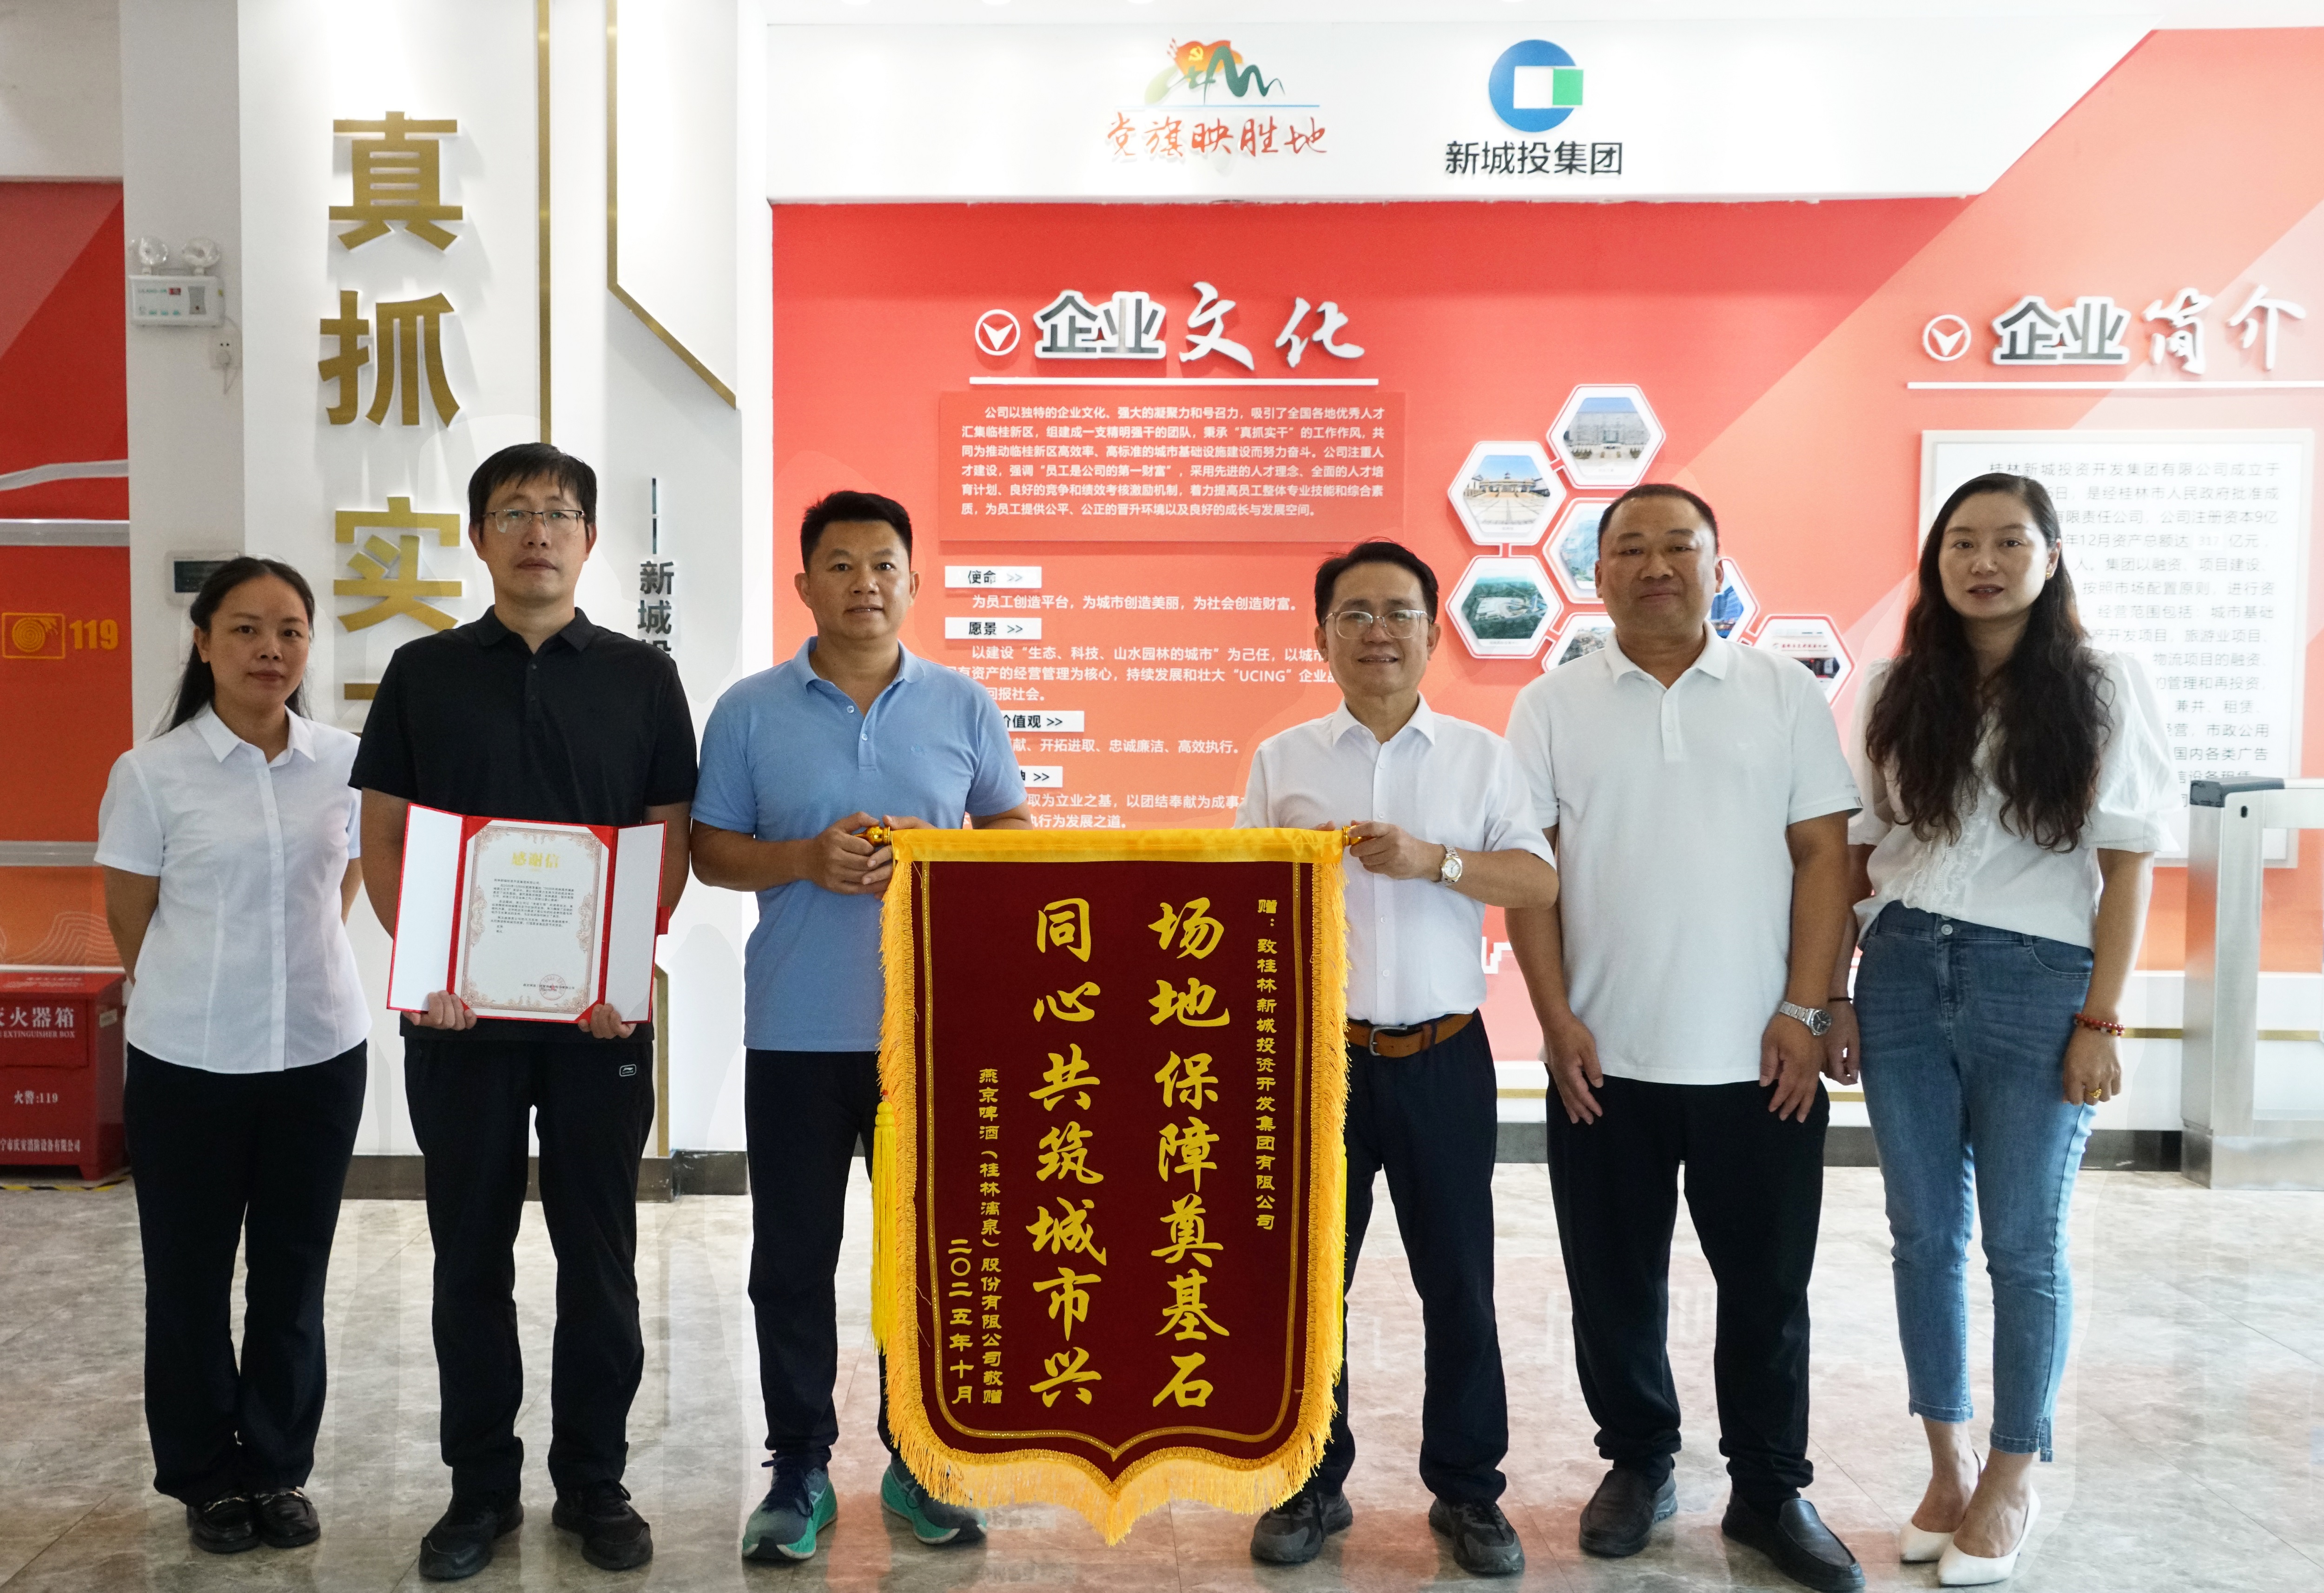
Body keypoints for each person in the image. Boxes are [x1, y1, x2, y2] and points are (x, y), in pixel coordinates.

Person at [1505, 485, 1866, 1593]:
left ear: (1717, 565)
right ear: (1597, 571)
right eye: (1630, 548)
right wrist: (1554, 1019)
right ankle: (1638, 1460)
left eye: (1679, 546)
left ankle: (1769, 1488)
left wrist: (1805, 1009)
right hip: (1602, 1059)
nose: (1655, 566)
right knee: (1612, 1280)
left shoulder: (1781, 692)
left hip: (1760, 1060)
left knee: (1767, 1286)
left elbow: (1824, 857)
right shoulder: (1550, 706)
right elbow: (1531, 875)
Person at [351, 443, 696, 1580]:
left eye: (557, 513)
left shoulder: (644, 678)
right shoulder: (423, 670)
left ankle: (594, 1482)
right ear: (478, 537)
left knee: (599, 1256)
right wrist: (426, 968)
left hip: (599, 1024)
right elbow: (386, 834)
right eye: (512, 513)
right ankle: (480, 1488)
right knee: (469, 1257)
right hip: (459, 1024)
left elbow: (667, 838)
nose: (537, 531)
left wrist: (622, 970)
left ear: (590, 540)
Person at [1828, 473, 2171, 1586]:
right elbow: (1855, 852)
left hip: (2038, 983)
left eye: (2009, 541)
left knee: (2023, 1243)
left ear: (2050, 556)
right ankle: (1948, 1462)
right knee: (1922, 1235)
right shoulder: (1894, 687)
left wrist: (2101, 1018)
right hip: (1900, 969)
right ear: (1934, 562)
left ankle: (2013, 1472)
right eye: (1961, 543)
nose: (1983, 562)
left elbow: (2127, 865)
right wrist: (1835, 993)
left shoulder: (2103, 684)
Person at [690, 490, 1030, 1564]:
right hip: (794, 1031)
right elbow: (709, 850)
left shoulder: (963, 703)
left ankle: (919, 1458)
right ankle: (797, 1466)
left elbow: (1013, 831)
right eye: (840, 564)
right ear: (805, 585)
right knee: (792, 1261)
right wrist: (803, 857)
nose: (864, 583)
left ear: (914, 582)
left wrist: (935, 856)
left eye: (884, 563)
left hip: (929, 1038)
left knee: (924, 1260)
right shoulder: (749, 710)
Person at [1236, 539, 1558, 1579]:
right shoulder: (1283, 761)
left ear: (1431, 632)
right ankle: (1307, 1481)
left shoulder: (1479, 756)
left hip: (1443, 1057)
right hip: (1319, 1067)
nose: (1378, 632)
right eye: (1356, 615)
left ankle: (1468, 1491)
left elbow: (1536, 881)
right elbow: (1240, 900)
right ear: (1321, 635)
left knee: (1457, 1283)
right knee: (1306, 1286)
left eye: (1399, 613)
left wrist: (1435, 861)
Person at [96, 557, 368, 1556]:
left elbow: (339, 889)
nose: (270, 649)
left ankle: (277, 1468)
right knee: (189, 1280)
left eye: (290, 630)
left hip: (319, 1052)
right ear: (204, 642)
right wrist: (208, 987)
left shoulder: (345, 762)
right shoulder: (151, 774)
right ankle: (206, 1477)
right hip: (189, 1062)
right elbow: (133, 921)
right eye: (246, 629)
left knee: (293, 1277)